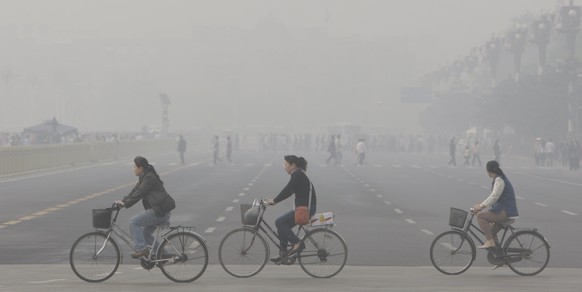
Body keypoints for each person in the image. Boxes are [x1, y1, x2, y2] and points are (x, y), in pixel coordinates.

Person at [114, 156, 175, 258]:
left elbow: (140, 193)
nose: (133, 169)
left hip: (159, 212)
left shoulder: (149, 178)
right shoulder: (144, 177)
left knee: (133, 222)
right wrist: (123, 201)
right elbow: (135, 191)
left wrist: (126, 204)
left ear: (140, 168)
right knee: (145, 234)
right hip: (159, 211)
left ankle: (142, 249)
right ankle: (163, 255)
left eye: (134, 167)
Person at [265, 155, 317, 264]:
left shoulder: (297, 175)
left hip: (305, 209)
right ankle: (283, 254)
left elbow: (287, 190)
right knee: (282, 224)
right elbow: (289, 191)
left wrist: (274, 200)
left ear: (293, 165)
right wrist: (274, 200)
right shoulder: (298, 174)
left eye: (286, 165)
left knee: (280, 222)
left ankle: (297, 243)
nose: (285, 168)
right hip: (303, 208)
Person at [471, 160, 519, 250]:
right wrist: (481, 205)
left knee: (481, 216)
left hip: (506, 211)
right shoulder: (499, 178)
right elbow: (494, 198)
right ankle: (497, 254)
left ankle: (490, 241)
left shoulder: (499, 180)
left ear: (488, 171)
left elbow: (494, 197)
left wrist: (481, 206)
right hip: (502, 210)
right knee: (491, 232)